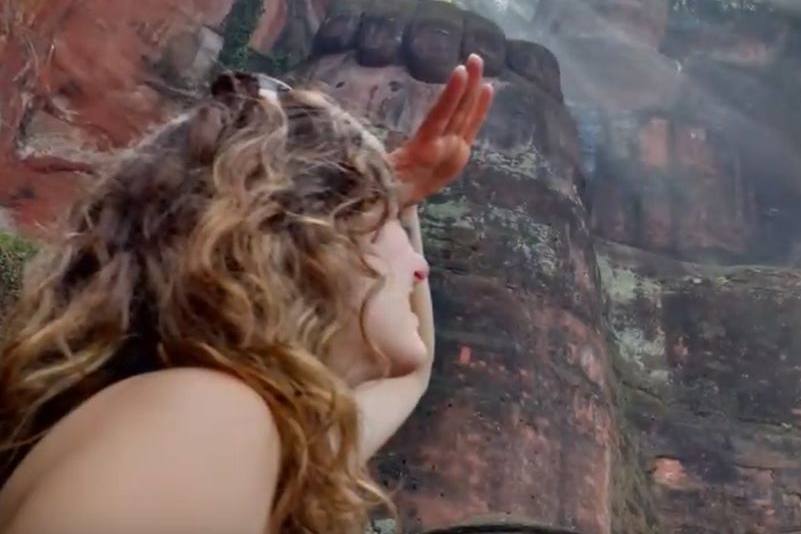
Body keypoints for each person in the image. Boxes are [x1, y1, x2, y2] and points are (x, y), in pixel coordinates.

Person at [0, 54, 495, 534]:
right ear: (311, 237)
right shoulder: (210, 416)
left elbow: (415, 375)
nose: (420, 267)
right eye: (389, 226)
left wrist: (398, 195)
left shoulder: (266, 443)